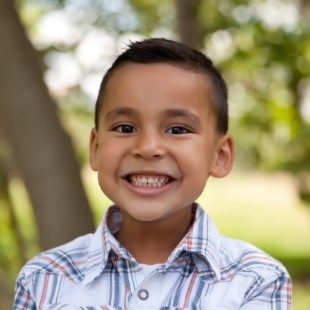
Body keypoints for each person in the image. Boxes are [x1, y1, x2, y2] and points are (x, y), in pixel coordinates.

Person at [14, 38, 292, 309]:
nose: (148, 148)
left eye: (178, 130)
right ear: (96, 148)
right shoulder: (43, 279)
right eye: (125, 128)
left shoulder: (256, 280)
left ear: (219, 156)